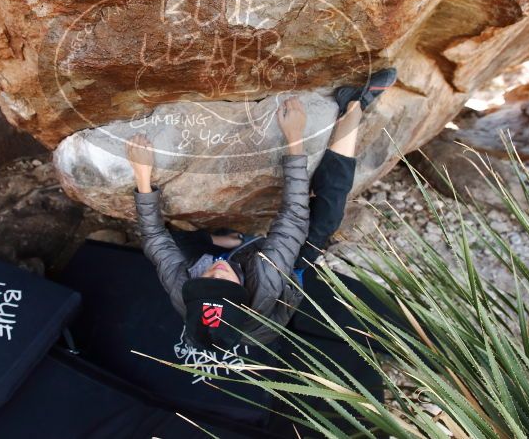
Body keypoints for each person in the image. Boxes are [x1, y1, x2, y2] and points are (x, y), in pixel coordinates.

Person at [127, 69, 397, 350]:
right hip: (283, 272)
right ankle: (354, 107)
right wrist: (294, 138)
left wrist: (142, 176)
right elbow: (293, 215)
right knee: (328, 214)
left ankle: (231, 241)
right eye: (224, 284)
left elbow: (155, 240)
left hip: (238, 263)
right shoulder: (268, 282)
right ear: (242, 292)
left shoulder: (184, 290)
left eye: (207, 281)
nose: (217, 272)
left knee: (178, 239)